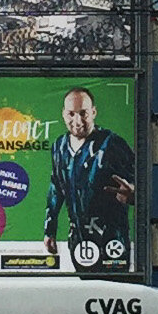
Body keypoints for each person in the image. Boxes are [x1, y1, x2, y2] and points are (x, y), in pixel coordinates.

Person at [43, 86, 136, 270]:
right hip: (79, 240)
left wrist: (134, 194)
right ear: (63, 114)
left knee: (114, 292)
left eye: (83, 113)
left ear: (93, 112)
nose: (77, 121)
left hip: (112, 241)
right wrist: (50, 230)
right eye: (71, 114)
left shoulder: (112, 143)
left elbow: (143, 181)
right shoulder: (59, 146)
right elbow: (56, 188)